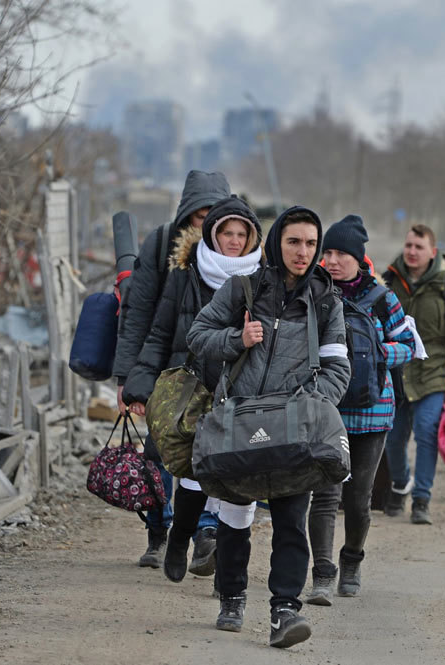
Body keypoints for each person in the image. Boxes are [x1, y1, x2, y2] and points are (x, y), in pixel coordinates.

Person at [187, 206, 351, 648]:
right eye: (294, 241)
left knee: (291, 522)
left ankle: (284, 611)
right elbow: (198, 335)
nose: (303, 252)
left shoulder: (325, 300)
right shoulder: (242, 288)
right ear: (277, 241)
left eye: (311, 244)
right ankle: (233, 596)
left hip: (294, 432)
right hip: (240, 423)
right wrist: (236, 341)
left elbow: (338, 369)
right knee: (235, 518)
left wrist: (311, 410)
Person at [122, 195, 263, 583]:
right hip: (192, 388)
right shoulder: (186, 273)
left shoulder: (262, 276)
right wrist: (138, 385)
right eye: (227, 233)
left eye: (241, 234)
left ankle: (222, 564)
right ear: (212, 234)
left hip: (241, 390)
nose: (234, 241)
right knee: (190, 471)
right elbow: (160, 332)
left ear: (252, 238)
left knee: (232, 473)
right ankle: (180, 536)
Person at [112, 170, 231, 569]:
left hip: (221, 374)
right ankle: (158, 530)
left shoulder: (242, 251)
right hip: (169, 371)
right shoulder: (165, 245)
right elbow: (139, 313)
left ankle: (205, 533)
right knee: (161, 452)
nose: (208, 223)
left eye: (215, 214)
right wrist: (129, 380)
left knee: (213, 453)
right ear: (185, 216)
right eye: (200, 215)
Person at [305, 215, 415, 606]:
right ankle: (322, 574)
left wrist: (378, 353)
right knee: (324, 495)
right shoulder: (311, 292)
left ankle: (351, 560)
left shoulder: (382, 298)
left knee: (358, 499)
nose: (332, 260)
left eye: (341, 254)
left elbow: (409, 346)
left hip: (372, 413)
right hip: (325, 410)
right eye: (328, 252)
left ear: (359, 258)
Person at [382, 224, 445, 525]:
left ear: (432, 252)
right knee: (393, 439)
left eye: (418, 247)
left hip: (433, 372)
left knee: (426, 431)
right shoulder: (390, 279)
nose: (411, 251)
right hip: (397, 372)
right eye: (408, 245)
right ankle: (400, 484)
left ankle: (422, 498)